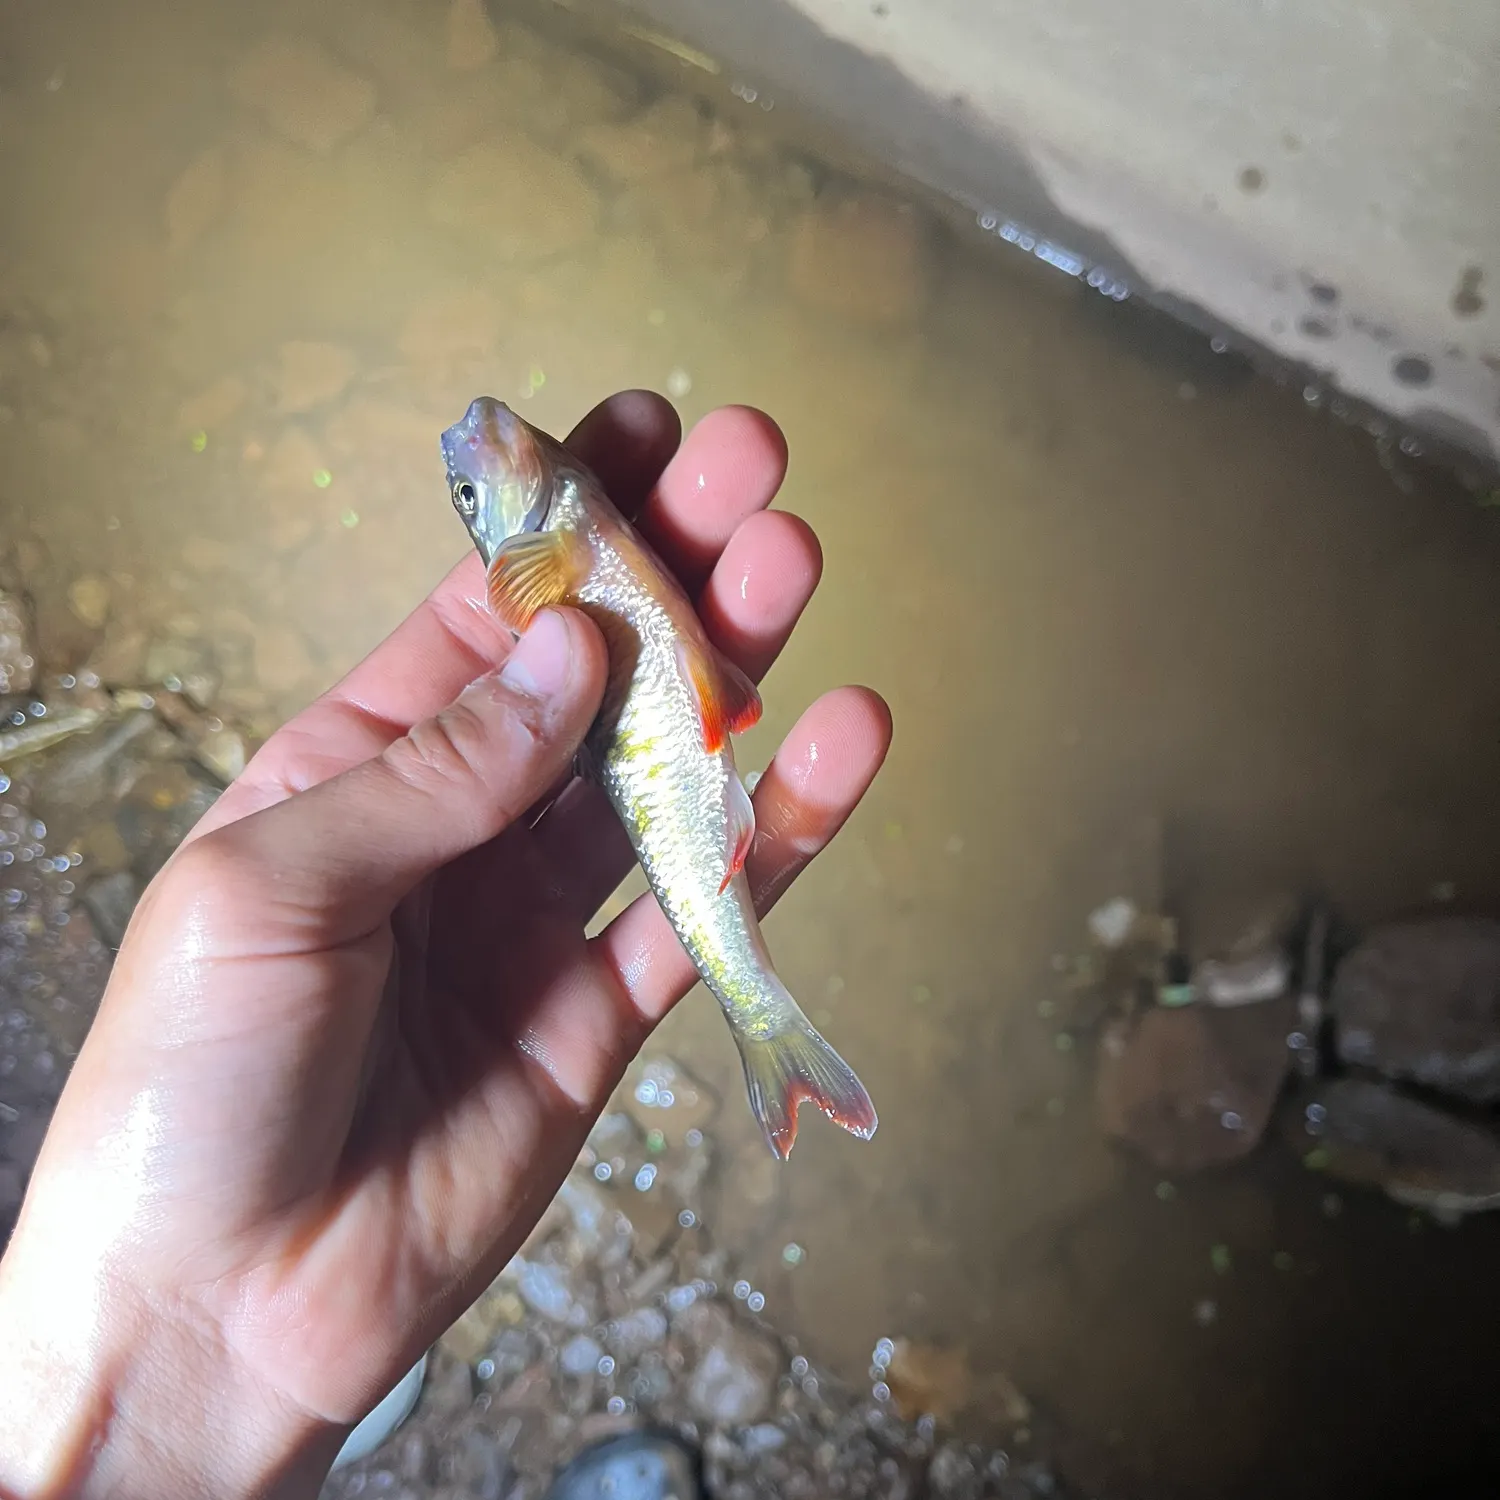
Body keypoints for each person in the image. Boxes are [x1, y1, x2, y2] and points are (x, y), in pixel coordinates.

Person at [0, 393, 892, 1499]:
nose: (465, 456)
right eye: (471, 496)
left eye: (469, 490)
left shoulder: (563, 520)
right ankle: (770, 1023)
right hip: (660, 748)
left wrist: (167, 1388)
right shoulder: (549, 548)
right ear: (515, 542)